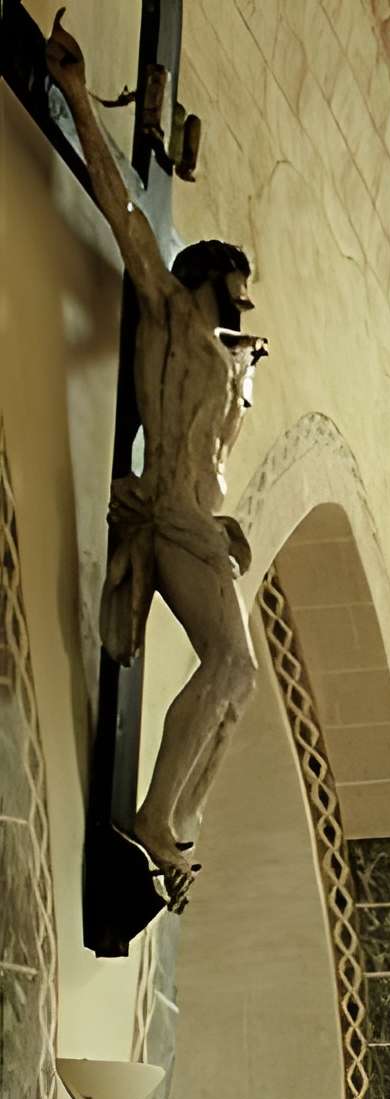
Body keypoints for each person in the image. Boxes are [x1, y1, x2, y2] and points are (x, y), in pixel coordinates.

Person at [47, 10, 267, 910]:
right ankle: (152, 816)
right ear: (210, 278)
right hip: (168, 509)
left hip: (202, 521)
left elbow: (219, 442)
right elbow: (127, 214)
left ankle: (173, 824)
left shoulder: (221, 355)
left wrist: (228, 518)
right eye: (237, 289)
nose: (244, 306)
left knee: (242, 679)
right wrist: (71, 94)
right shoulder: (174, 314)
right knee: (229, 664)